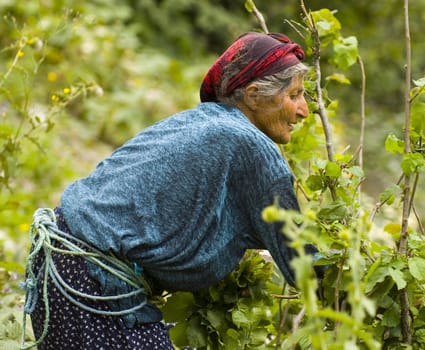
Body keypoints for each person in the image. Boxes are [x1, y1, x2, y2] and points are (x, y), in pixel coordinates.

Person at [21, 31, 320, 350]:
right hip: (90, 280)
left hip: (56, 262)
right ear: (254, 94)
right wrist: (358, 283)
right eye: (295, 95)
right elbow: (301, 263)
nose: (304, 110)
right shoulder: (254, 148)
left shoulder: (201, 121)